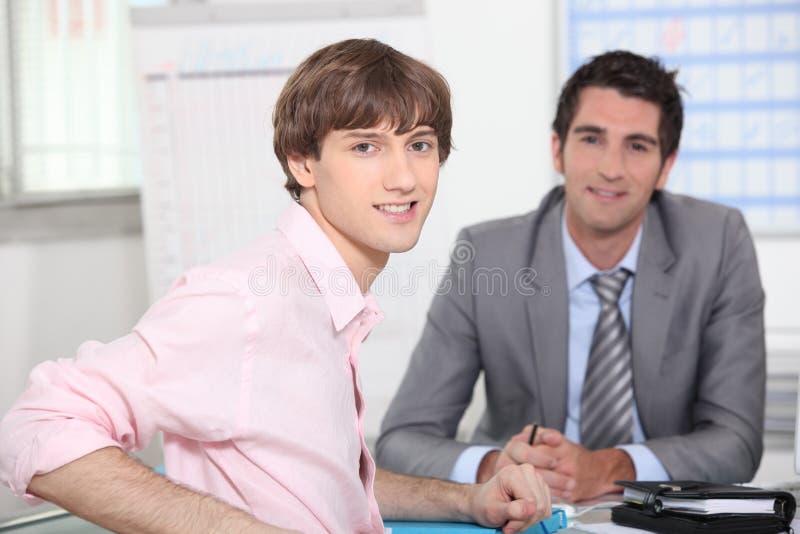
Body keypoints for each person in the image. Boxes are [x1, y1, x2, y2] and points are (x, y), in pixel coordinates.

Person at [0, 39, 551, 533]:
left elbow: (324, 484)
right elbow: (37, 424)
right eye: (365, 146)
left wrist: (469, 501)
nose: (404, 177)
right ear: (302, 162)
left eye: (420, 144)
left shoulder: (327, 297)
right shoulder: (247, 301)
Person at [376, 49, 765, 503]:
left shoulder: (718, 243)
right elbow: (402, 439)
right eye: (592, 139)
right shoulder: (487, 257)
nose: (611, 168)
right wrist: (495, 467)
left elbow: (736, 442)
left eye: (637, 146)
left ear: (667, 166)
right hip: (524, 514)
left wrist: (610, 467)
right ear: (557, 150)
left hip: (658, 511)